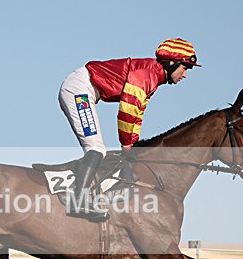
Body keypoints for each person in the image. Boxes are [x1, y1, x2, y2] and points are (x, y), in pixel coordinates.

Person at [58, 38, 201, 221]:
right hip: (78, 89)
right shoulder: (147, 74)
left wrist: (132, 143)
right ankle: (79, 200)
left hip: (86, 90)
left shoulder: (153, 77)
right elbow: (127, 109)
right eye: (185, 68)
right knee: (96, 149)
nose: (185, 75)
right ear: (171, 62)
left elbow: (138, 114)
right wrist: (127, 144)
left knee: (101, 149)